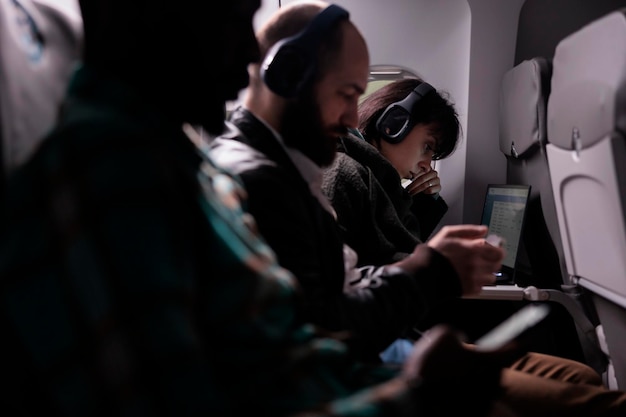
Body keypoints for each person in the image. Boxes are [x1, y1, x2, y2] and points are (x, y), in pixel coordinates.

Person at [0, 0, 527, 416]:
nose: (244, 67)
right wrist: (419, 389)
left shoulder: (187, 165)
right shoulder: (112, 174)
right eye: (230, 22)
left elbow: (294, 341)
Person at [208, 1, 626, 416]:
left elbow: (340, 282)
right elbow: (323, 329)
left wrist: (431, 262)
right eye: (347, 93)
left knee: (578, 379)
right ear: (288, 73)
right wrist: (430, 273)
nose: (354, 116)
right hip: (363, 364)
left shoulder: (292, 169)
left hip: (379, 347)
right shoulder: (262, 181)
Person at [322, 78, 459, 267]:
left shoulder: (376, 182)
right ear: (394, 124)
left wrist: (425, 201)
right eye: (427, 146)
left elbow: (393, 249)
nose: (427, 166)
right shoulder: (344, 174)